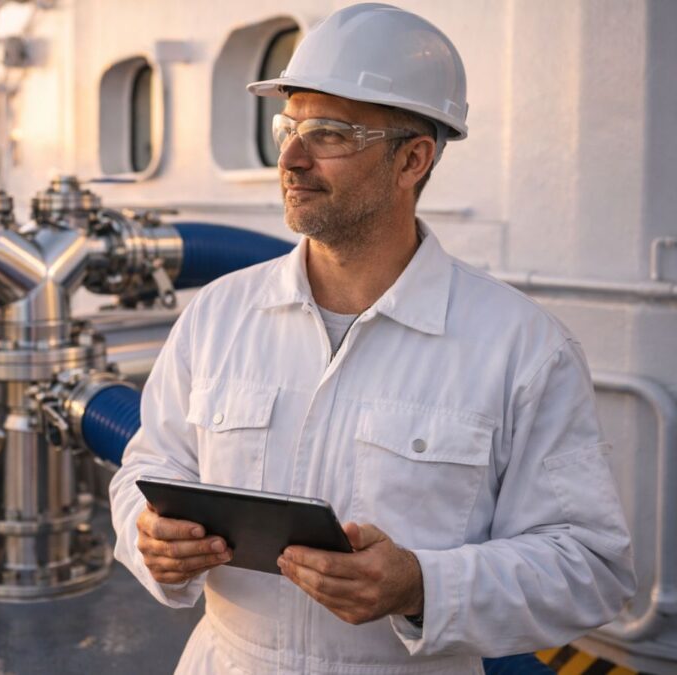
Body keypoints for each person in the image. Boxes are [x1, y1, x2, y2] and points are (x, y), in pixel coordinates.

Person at [109, 4, 636, 673]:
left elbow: (589, 567)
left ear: (412, 159)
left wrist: (422, 586)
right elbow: (146, 471)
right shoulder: (218, 314)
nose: (290, 159)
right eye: (287, 128)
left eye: (328, 134)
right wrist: (150, 537)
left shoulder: (521, 348)